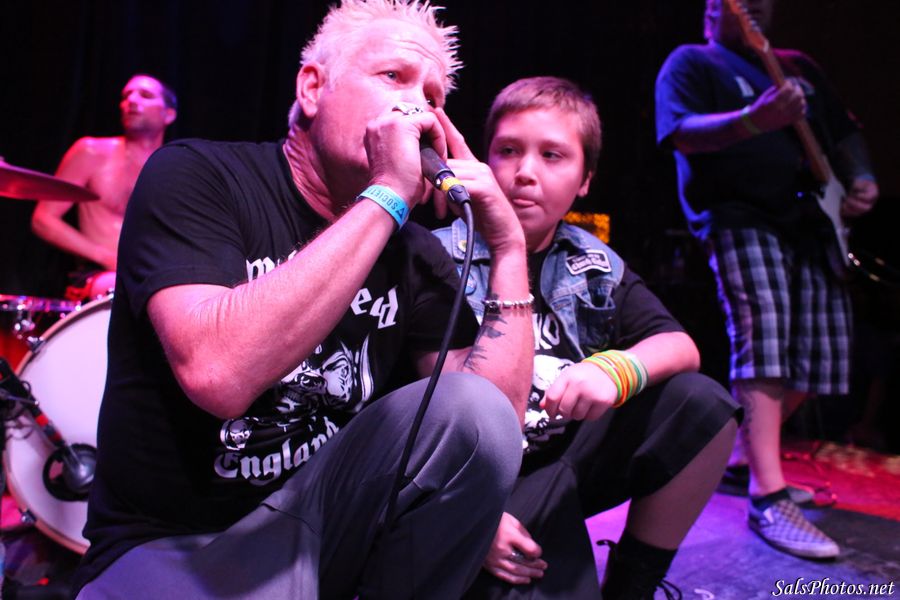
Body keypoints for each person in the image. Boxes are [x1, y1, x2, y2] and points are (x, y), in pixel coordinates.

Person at [72, 1, 534, 598]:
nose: (418, 108)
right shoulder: (197, 176)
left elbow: (490, 434)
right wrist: (388, 193)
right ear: (313, 89)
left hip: (317, 531)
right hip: (175, 546)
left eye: (433, 97)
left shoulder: (416, 254)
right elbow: (218, 374)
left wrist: (509, 247)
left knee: (474, 411)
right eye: (392, 77)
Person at [434, 76, 739, 599]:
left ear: (585, 181)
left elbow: (679, 345)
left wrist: (614, 370)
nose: (525, 172)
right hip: (468, 476)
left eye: (552, 155)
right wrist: (465, 513)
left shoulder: (593, 262)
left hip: (563, 459)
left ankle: (633, 584)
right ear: (483, 162)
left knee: (703, 405)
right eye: (508, 151)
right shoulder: (438, 256)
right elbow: (399, 409)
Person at [655, 0, 879, 559]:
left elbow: (845, 132)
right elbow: (683, 133)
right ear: (714, 9)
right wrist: (756, 119)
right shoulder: (692, 61)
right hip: (740, 216)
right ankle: (768, 495)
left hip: (813, 222)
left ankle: (740, 459)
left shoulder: (799, 66)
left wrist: (862, 178)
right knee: (767, 339)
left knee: (822, 356)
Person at [31, 73, 177, 299]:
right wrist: (106, 257)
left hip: (154, 274)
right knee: (127, 289)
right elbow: (43, 219)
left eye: (145, 95)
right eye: (126, 96)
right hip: (100, 274)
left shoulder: (175, 168)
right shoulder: (91, 151)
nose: (132, 100)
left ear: (169, 114)